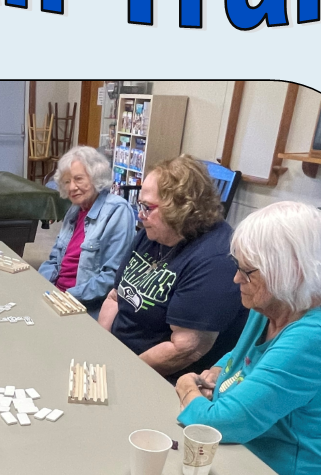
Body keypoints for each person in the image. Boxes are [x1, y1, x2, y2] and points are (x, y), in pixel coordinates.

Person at [174, 201, 321, 475]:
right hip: (242, 460)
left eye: (247, 271)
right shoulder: (274, 307)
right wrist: (219, 370)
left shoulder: (313, 340)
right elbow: (241, 355)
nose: (236, 279)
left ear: (291, 270)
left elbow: (213, 423)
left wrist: (188, 386)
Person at [98, 155, 241, 377]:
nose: (140, 215)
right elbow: (115, 296)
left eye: (147, 207)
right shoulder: (154, 231)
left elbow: (185, 349)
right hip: (118, 353)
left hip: (157, 375)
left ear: (180, 208)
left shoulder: (216, 259)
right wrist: (102, 348)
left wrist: (121, 371)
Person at [37, 145, 134, 316]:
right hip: (57, 296)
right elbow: (54, 260)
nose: (72, 187)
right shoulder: (75, 210)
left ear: (96, 177)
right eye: (67, 182)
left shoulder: (117, 211)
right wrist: (39, 285)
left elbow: (113, 277)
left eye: (78, 179)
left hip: (82, 305)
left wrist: (66, 296)